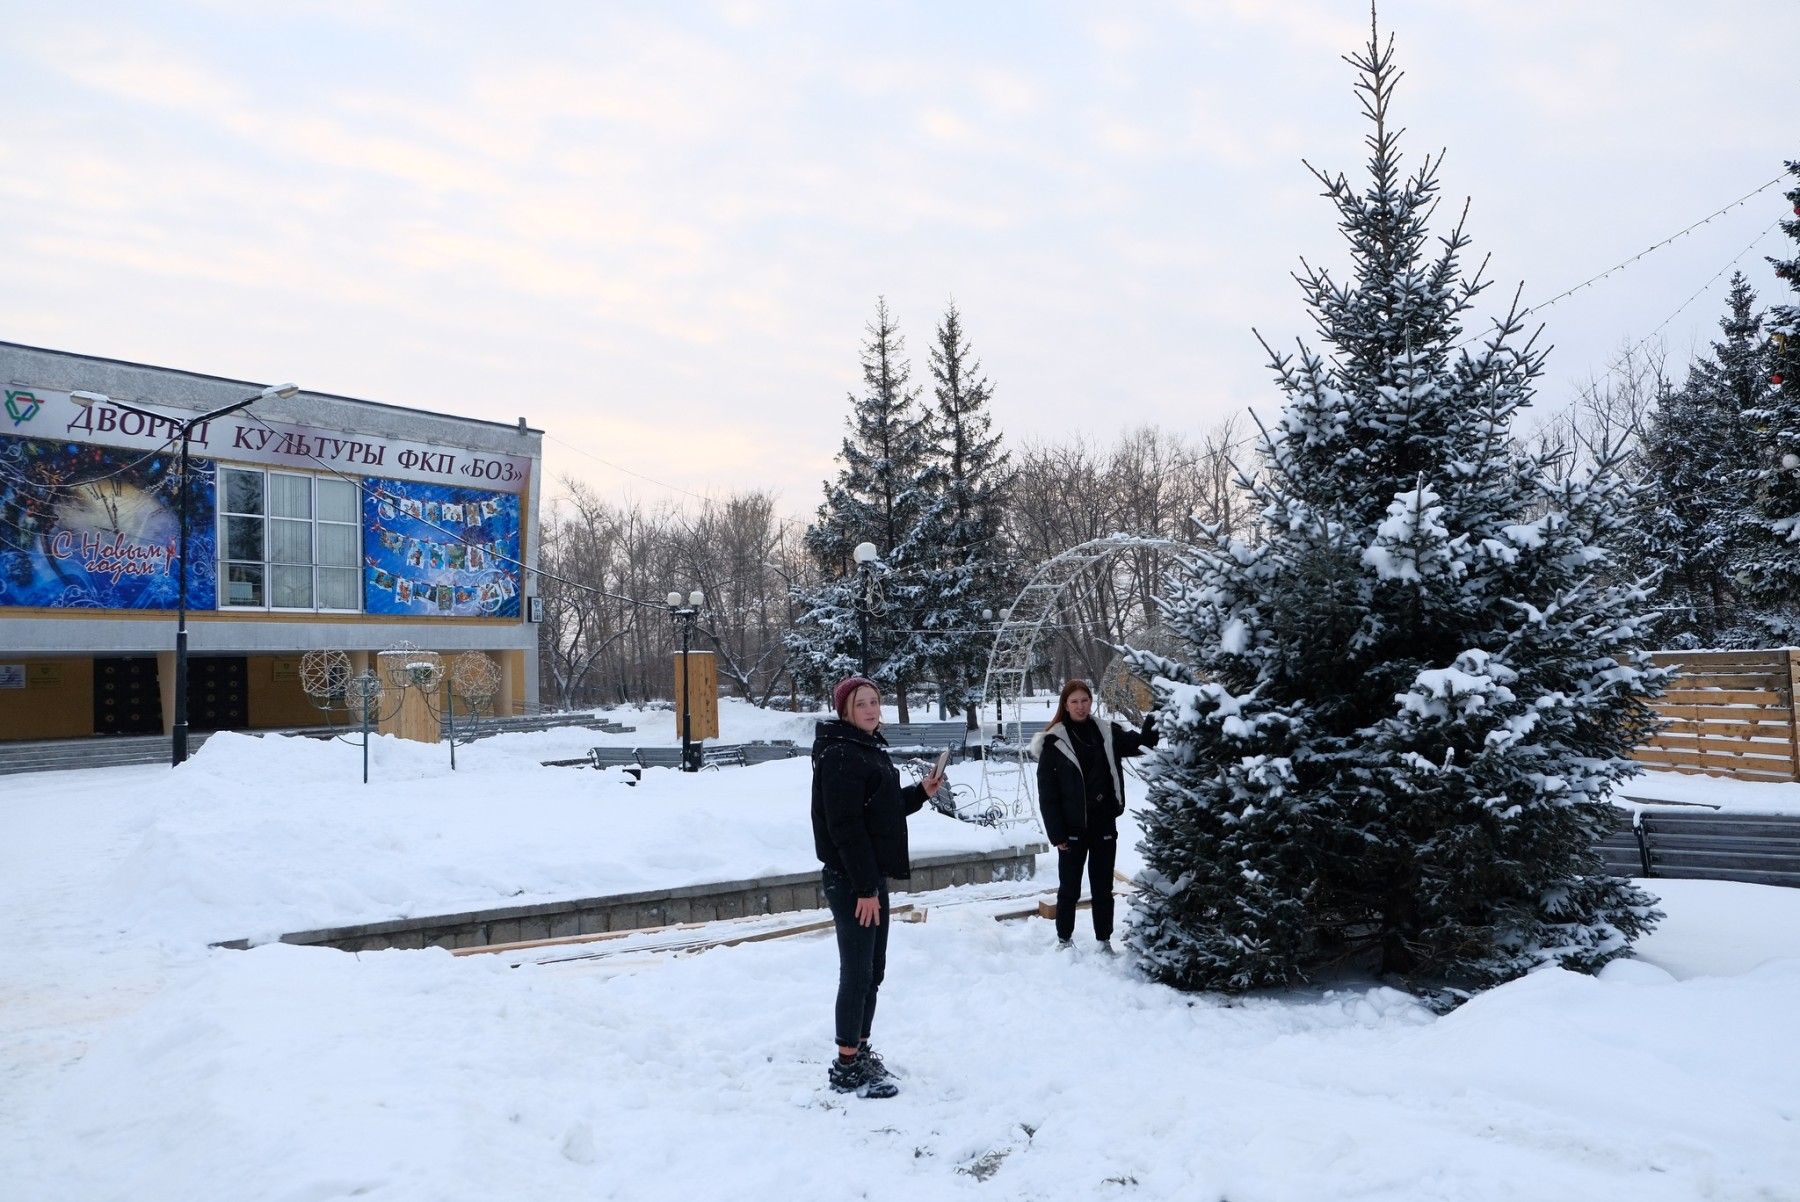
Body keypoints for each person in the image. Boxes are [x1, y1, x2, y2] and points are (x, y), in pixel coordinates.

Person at [811, 675, 943, 1098]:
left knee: (873, 971)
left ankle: (860, 1049)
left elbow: (880, 813)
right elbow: (845, 828)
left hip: (867, 879)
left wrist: (921, 792)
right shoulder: (841, 755)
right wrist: (866, 888)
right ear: (845, 710)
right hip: (852, 881)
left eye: (874, 702)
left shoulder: (864, 748)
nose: (870, 709)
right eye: (861, 703)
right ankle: (847, 1064)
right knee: (857, 972)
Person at [1032, 679, 1158, 953]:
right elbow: (1047, 795)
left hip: (1103, 824)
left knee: (1103, 888)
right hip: (1071, 829)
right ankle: (1064, 939)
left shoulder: (1107, 733)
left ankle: (1104, 940)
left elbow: (1144, 744)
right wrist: (1057, 834)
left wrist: (1157, 711)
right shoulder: (1054, 741)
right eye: (1074, 701)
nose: (1080, 706)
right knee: (1070, 889)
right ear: (1065, 704)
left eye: (1085, 700)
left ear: (1091, 702)